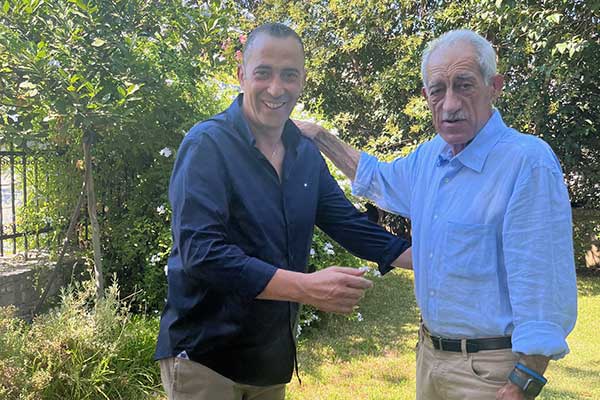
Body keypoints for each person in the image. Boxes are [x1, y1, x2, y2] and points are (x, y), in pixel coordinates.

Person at [297, 29, 577, 400]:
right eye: (438, 90)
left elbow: (541, 279)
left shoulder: (526, 161)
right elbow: (378, 179)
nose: (449, 105)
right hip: (430, 358)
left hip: (491, 372)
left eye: (464, 85)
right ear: (425, 96)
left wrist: (524, 380)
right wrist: (318, 135)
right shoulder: (431, 157)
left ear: (494, 87)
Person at [154, 23, 411, 400]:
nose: (276, 89)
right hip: (205, 358)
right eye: (264, 73)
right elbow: (202, 254)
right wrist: (307, 288)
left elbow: (350, 225)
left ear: (303, 80)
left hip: (268, 361)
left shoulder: (305, 154)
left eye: (289, 75)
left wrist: (435, 259)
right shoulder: (207, 145)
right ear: (242, 75)